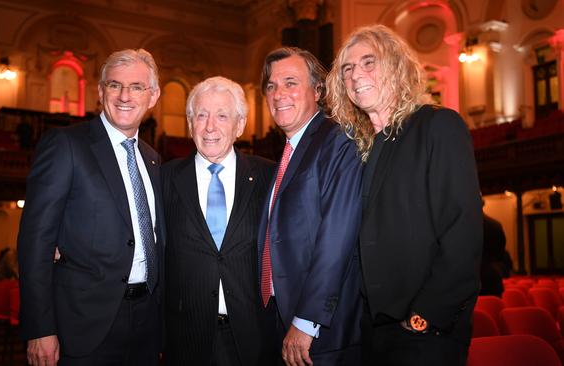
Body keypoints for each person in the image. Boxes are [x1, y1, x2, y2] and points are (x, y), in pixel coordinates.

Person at [326, 24, 482, 365]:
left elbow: (462, 233)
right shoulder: (363, 149)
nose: (355, 75)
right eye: (348, 69)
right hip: (372, 333)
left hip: (423, 336)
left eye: (369, 62)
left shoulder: (438, 126)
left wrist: (425, 317)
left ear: (396, 66)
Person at [17, 48, 165, 366]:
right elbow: (35, 242)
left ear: (152, 96)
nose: (125, 95)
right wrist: (40, 328)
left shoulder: (153, 159)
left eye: (137, 87)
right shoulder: (66, 145)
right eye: (114, 85)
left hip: (148, 324)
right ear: (100, 92)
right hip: (82, 325)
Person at [258, 47, 363, 365]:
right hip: (281, 320)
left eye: (290, 82)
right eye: (272, 86)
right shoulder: (290, 150)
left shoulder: (338, 141)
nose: (278, 94)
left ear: (318, 90)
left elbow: (337, 239)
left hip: (321, 334)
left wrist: (306, 321)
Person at [162, 76, 275, 365]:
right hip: (186, 339)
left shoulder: (268, 177)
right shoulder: (164, 178)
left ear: (239, 125)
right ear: (190, 123)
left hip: (255, 338)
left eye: (222, 116)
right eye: (201, 115)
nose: (210, 126)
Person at [480, 212, 507, 296]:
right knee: (494, 306)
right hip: (492, 277)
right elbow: (501, 253)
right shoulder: (495, 225)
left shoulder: (463, 225)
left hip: (471, 278)